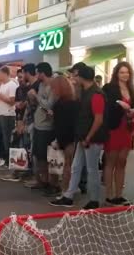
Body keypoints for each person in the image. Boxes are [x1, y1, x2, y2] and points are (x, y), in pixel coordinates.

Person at [51, 66, 108, 209]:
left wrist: (88, 137)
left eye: (76, 75)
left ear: (82, 76)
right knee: (76, 167)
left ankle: (94, 199)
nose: (74, 78)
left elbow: (98, 119)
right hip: (83, 136)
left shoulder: (96, 95)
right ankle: (68, 196)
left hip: (92, 138)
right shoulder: (85, 92)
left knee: (91, 169)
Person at [102, 62, 134, 206]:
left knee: (122, 161)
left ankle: (119, 194)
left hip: (127, 128)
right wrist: (118, 103)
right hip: (114, 127)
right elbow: (107, 105)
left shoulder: (132, 89)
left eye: (127, 72)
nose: (125, 75)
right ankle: (109, 194)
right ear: (116, 73)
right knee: (111, 160)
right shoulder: (109, 88)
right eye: (122, 72)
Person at [47, 76, 79, 195]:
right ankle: (69, 189)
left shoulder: (60, 104)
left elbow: (60, 124)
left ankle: (65, 191)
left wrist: (57, 140)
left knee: (67, 165)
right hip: (73, 137)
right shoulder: (75, 101)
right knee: (70, 165)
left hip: (65, 137)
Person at [29, 63, 57, 192]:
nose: (36, 75)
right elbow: (40, 103)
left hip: (47, 126)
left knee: (47, 156)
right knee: (38, 155)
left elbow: (49, 104)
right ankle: (42, 180)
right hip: (38, 124)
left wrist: (36, 96)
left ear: (42, 73)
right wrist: (33, 98)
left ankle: (51, 183)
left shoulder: (53, 86)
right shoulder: (41, 85)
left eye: (37, 73)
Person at [0, 66, 18, 168]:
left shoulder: (12, 85)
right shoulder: (2, 85)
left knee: (6, 138)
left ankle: (7, 160)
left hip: (8, 115)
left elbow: (12, 101)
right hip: (0, 113)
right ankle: (1, 157)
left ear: (5, 74)